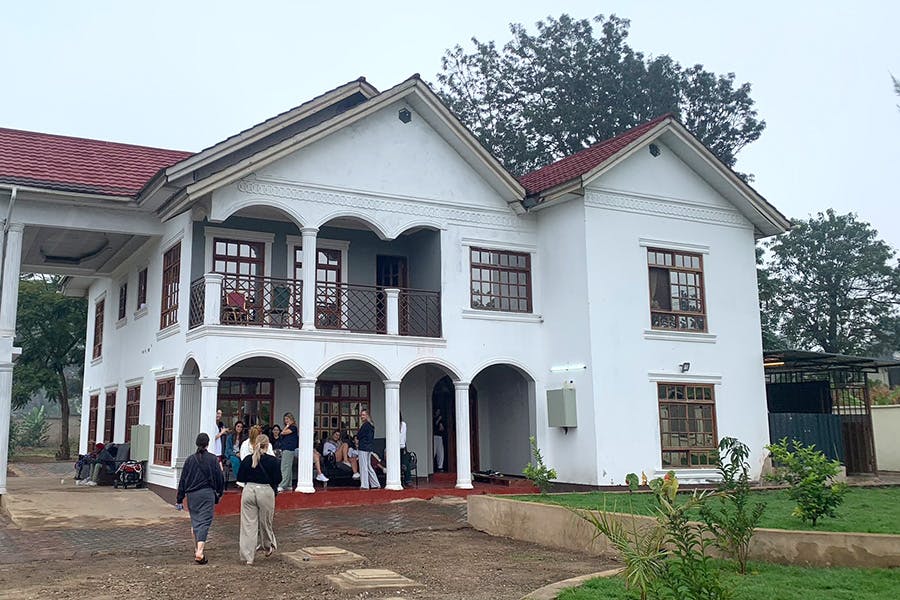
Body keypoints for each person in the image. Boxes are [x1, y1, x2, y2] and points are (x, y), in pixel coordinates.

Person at [176, 432, 224, 565]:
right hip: (206, 494)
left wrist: (179, 499)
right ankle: (200, 552)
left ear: (196, 443)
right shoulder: (213, 459)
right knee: (204, 522)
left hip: (191, 495)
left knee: (195, 522)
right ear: (208, 444)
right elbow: (219, 478)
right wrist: (219, 493)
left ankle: (196, 548)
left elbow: (183, 480)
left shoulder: (189, 460)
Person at [236, 434, 280, 565]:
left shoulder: (248, 459)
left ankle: (248, 556)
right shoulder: (273, 461)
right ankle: (268, 545)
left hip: (249, 490)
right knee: (266, 522)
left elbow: (240, 477)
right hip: (265, 491)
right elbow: (278, 479)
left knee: (248, 524)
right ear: (267, 446)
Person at [357, 409, 379, 490]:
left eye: (363, 415)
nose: (362, 416)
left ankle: (365, 485)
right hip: (369, 447)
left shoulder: (365, 425)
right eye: (361, 415)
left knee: (363, 466)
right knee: (369, 466)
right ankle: (375, 483)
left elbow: (359, 435)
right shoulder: (371, 425)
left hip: (363, 447)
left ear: (367, 415)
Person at [278, 413, 299, 492]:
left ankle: (282, 485)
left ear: (292, 419)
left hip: (288, 448)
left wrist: (287, 426)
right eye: (285, 419)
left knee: (285, 467)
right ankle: (289, 485)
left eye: (288, 419)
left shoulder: (293, 427)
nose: (286, 421)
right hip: (286, 448)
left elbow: (282, 433)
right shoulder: (290, 427)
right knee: (288, 467)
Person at [400, 413, 412, 486]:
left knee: (406, 458)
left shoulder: (404, 424)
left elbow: (403, 436)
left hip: (402, 446)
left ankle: (403, 465)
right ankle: (407, 480)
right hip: (395, 447)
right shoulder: (393, 424)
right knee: (404, 461)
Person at [433, 408, 446, 472]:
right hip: (434, 437)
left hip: (440, 437)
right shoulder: (433, 418)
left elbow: (442, 428)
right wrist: (438, 420)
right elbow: (434, 425)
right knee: (434, 451)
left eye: (439, 411)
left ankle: (440, 467)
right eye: (437, 411)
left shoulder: (441, 420)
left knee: (440, 452)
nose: (438, 412)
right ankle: (431, 466)